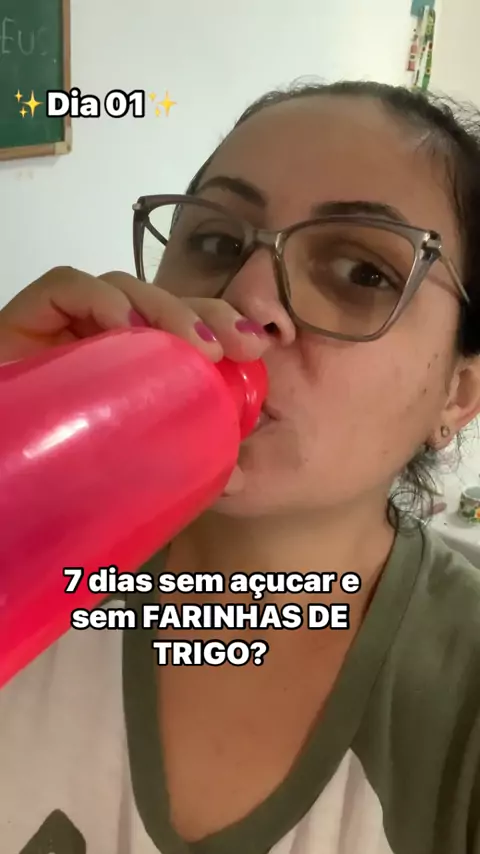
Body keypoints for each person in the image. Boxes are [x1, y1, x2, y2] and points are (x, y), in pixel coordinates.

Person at [1, 79, 480, 854]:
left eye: (363, 273)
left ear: (457, 394)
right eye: (218, 243)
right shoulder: (34, 544)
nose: (247, 300)